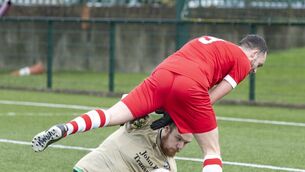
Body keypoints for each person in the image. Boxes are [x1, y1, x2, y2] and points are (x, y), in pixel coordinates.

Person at [32, 34, 268, 172]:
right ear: (255, 53)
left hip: (163, 73)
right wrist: (185, 113)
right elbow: (213, 96)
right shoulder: (242, 59)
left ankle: (65, 128)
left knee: (111, 115)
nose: (255, 70)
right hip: (191, 83)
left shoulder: (209, 41)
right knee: (212, 150)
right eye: (259, 65)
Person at [73, 115, 193, 172]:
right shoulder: (147, 124)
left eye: (186, 143)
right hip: (90, 169)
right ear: (166, 128)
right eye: (178, 139)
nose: (180, 146)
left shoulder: (169, 167)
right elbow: (128, 101)